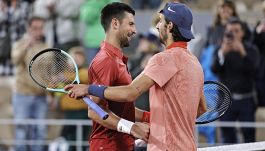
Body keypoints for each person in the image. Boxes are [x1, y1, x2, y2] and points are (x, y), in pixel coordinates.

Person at [65, 2, 207, 151]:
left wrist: (89, 89)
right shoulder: (195, 62)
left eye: (160, 21)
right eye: (131, 24)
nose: (157, 26)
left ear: (170, 26)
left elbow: (130, 93)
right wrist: (156, 124)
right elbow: (202, 109)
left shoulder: (162, 59)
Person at [70, 2, 150, 151]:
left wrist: (149, 118)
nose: (134, 30)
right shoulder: (105, 61)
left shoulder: (117, 60)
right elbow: (94, 111)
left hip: (121, 145)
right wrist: (132, 128)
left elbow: (122, 109)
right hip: (107, 146)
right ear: (115, 23)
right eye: (131, 24)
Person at [212, 17, 259, 143]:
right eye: (229, 31)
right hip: (226, 100)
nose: (232, 34)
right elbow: (214, 69)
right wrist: (222, 53)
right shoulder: (220, 50)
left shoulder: (251, 49)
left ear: (242, 32)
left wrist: (242, 52)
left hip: (246, 99)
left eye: (236, 31)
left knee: (249, 136)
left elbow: (255, 71)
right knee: (227, 137)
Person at [11, 16, 49, 151]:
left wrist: (52, 94)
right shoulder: (19, 44)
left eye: (40, 28)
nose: (38, 31)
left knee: (40, 130)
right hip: (22, 94)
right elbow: (14, 60)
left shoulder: (47, 47)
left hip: (41, 96)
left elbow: (50, 73)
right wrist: (27, 45)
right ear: (28, 29)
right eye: (35, 28)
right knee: (21, 130)